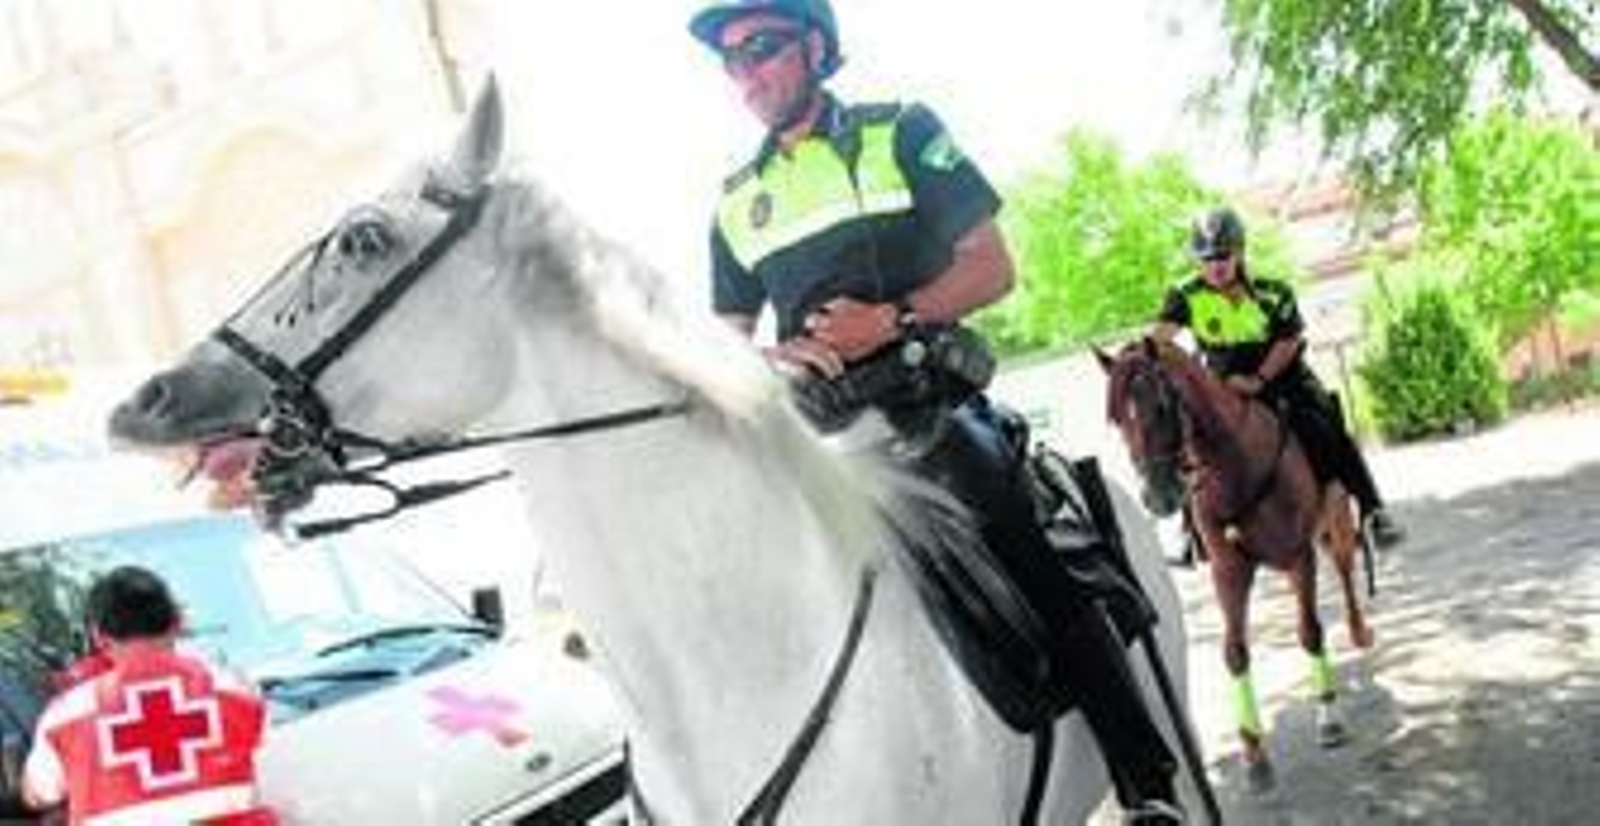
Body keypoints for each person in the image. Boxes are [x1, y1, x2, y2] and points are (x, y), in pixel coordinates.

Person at [689, 2, 1182, 821]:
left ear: (813, 46)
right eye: (731, 60)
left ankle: (1145, 781)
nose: (746, 74)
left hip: (929, 408)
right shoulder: (736, 200)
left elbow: (992, 267)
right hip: (814, 434)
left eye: (762, 48)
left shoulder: (903, 132)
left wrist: (892, 319)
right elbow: (727, 341)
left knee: (1024, 548)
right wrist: (768, 358)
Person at [1153, 206, 1405, 548]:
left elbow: (1289, 341)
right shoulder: (1184, 295)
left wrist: (1259, 379)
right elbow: (1160, 339)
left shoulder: (1274, 291)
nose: (1215, 265)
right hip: (1223, 382)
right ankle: (1189, 531)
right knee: (1185, 435)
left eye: (1223, 256)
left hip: (1281, 376)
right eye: (1206, 258)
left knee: (1324, 424)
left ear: (1239, 252)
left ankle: (1374, 511)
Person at [22, 566, 276, 825]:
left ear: (99, 636)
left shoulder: (65, 716)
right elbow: (274, 774)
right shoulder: (236, 690)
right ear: (177, 621)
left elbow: (40, 795)